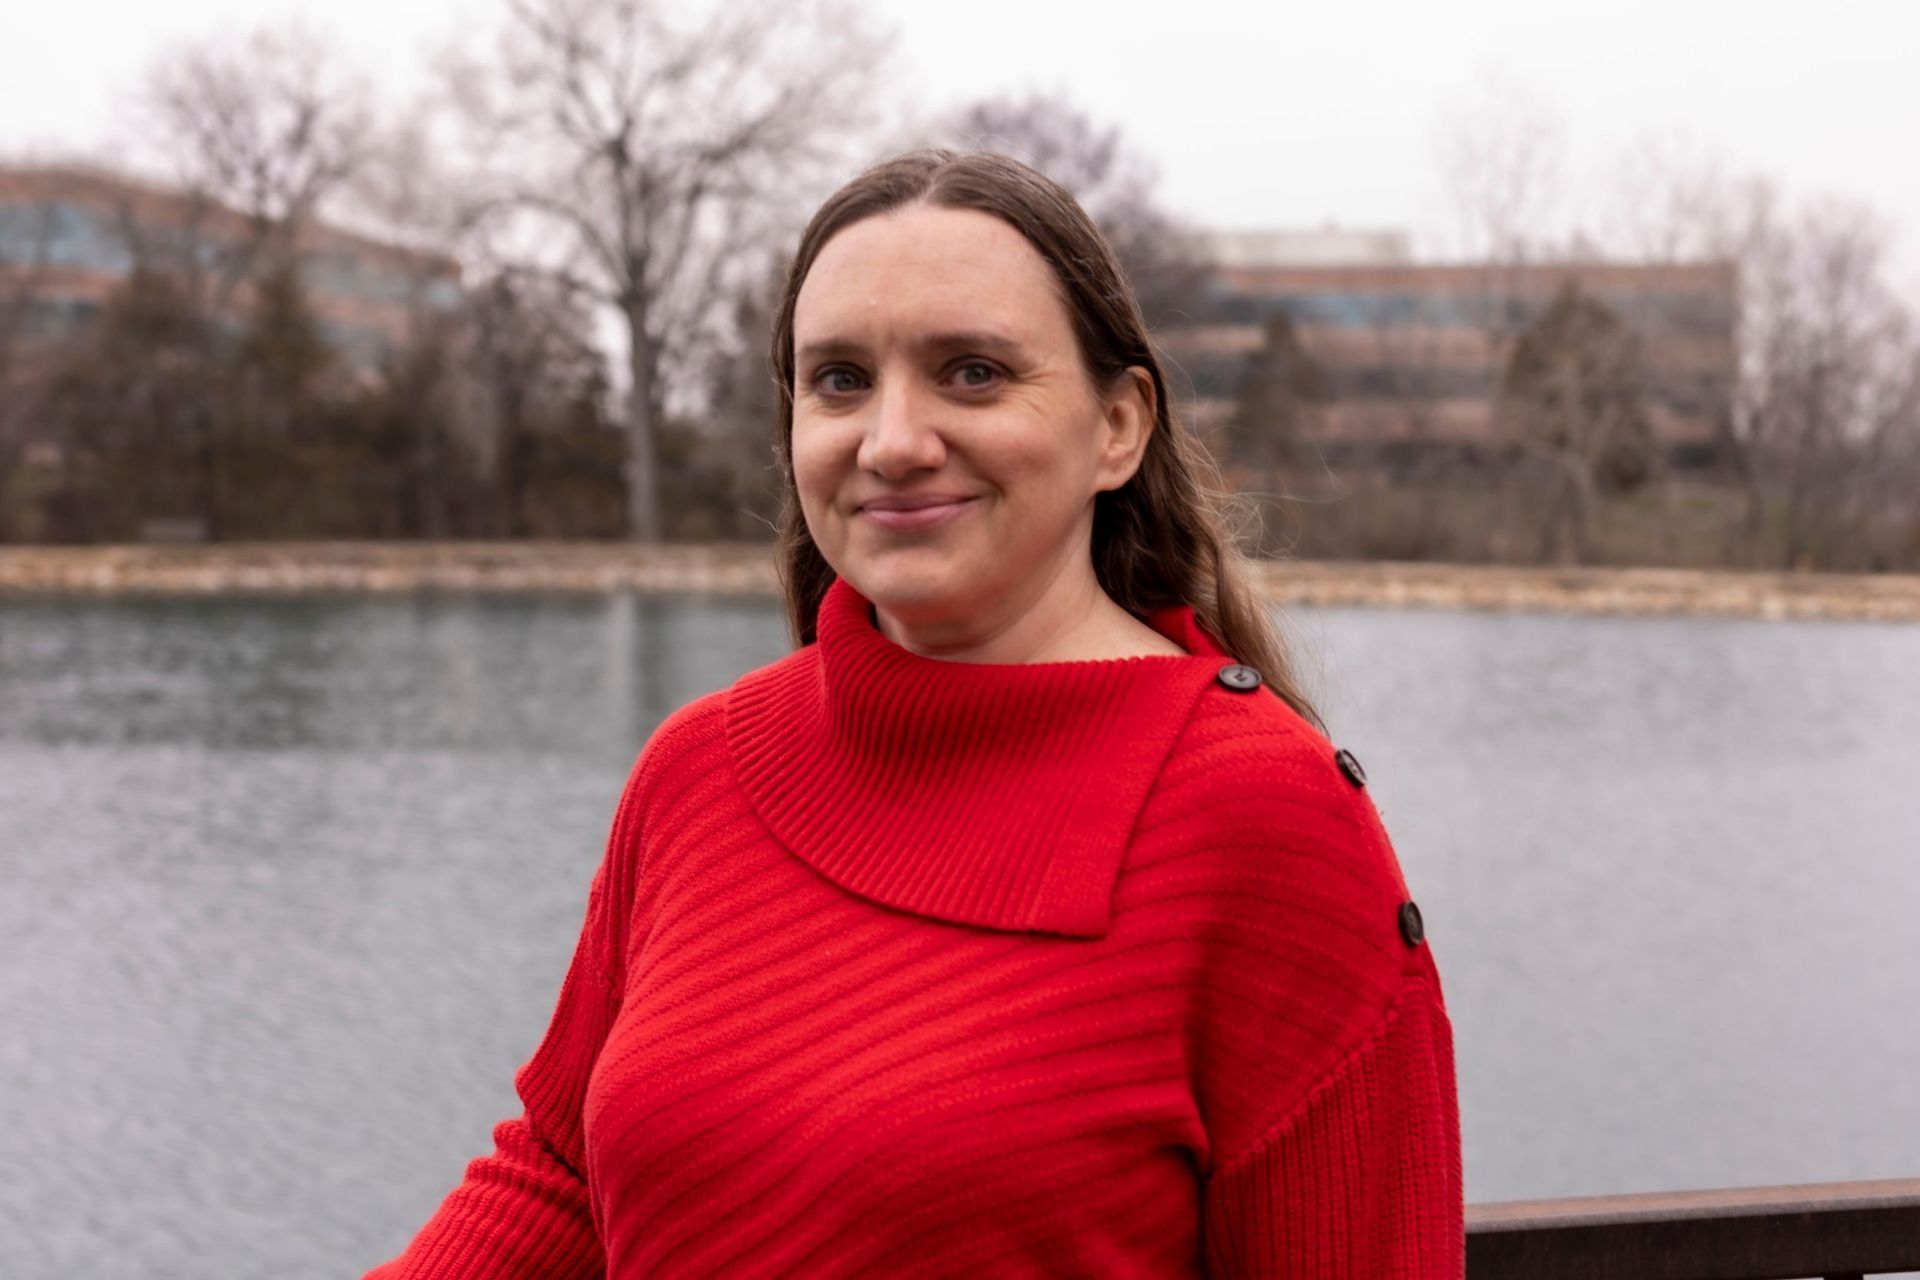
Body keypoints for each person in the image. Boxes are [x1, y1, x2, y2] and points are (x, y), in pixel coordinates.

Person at [368, 149, 1463, 1278]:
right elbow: (561, 1173)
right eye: (840, 379)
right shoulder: (700, 766)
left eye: (973, 372)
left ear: (1119, 427)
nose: (891, 442)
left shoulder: (1265, 818)